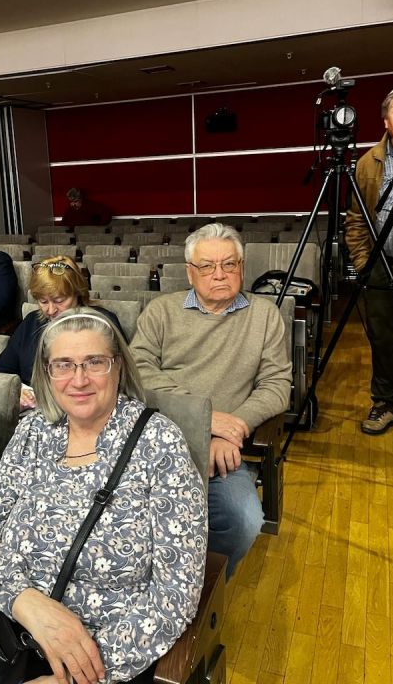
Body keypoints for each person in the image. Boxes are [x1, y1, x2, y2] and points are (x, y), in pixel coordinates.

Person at [0, 308, 207, 684]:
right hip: (5, 638)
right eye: (64, 365)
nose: (79, 379)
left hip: (102, 661)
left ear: (118, 367)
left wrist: (75, 677)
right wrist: (24, 602)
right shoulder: (33, 432)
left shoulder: (159, 443)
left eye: (95, 362)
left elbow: (175, 594)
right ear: (47, 373)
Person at [130, 223, 291, 578]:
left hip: (222, 448)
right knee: (130, 518)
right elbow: (138, 372)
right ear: (190, 272)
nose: (219, 274)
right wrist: (205, 420)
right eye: (207, 266)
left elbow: (277, 384)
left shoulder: (264, 315)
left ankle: (201, 588)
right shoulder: (161, 311)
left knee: (244, 521)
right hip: (157, 438)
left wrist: (233, 428)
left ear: (242, 267)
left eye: (229, 264)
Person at [0, 256, 124, 410]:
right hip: (33, 409)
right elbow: (2, 371)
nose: (50, 310)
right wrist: (18, 390)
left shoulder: (102, 322)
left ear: (77, 293)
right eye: (43, 301)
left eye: (59, 301)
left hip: (87, 406)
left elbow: (121, 377)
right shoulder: (31, 322)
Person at [345, 85, 393, 435]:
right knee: (384, 339)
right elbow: (356, 220)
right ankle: (387, 403)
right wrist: (365, 264)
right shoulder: (368, 163)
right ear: (386, 121)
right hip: (383, 264)